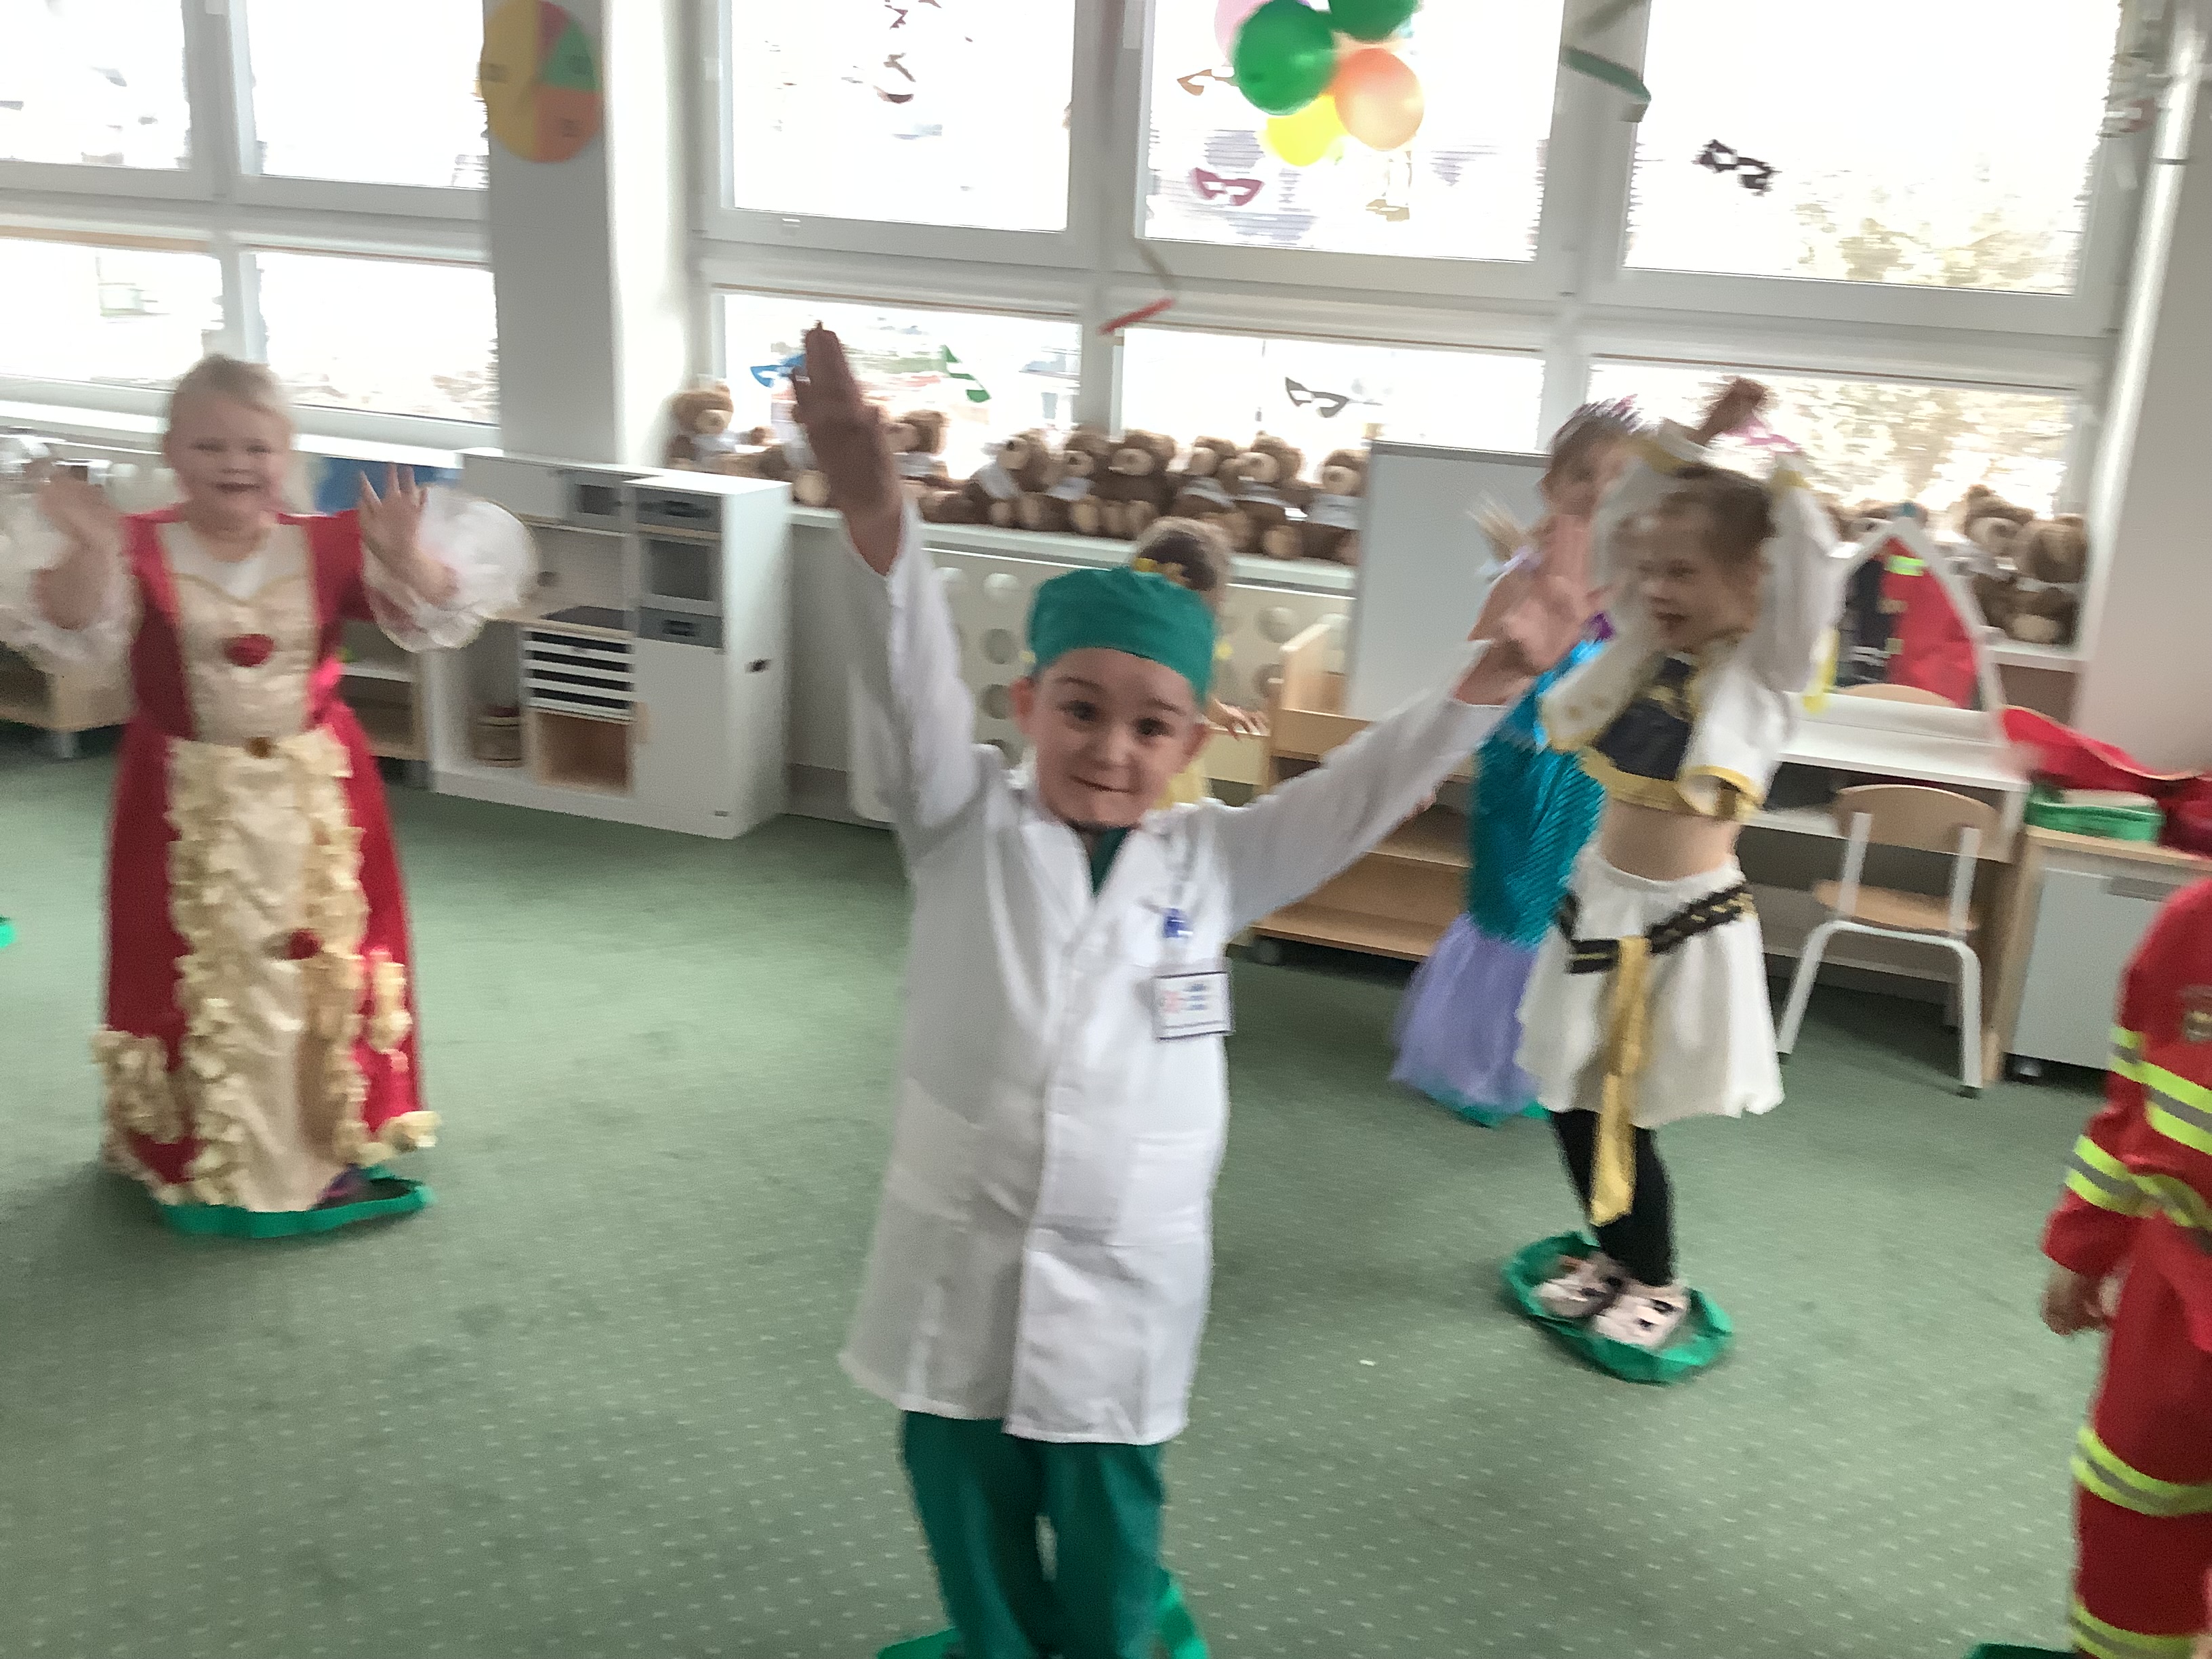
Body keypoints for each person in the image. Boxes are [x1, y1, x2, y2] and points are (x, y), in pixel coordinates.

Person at [794, 325, 1595, 1659]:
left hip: (1123, 1266)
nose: (1111, 748)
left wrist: (1492, 680)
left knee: (1110, 1525)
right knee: (959, 1490)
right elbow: (904, 678)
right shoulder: (960, 822)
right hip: (959, 1244)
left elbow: (1358, 791)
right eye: (1079, 709)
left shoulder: (1216, 862)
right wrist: (877, 517)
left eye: (1149, 724)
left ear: (1191, 738)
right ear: (1026, 704)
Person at [0, 354, 531, 1237]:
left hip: (315, 794)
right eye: (210, 445)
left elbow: (433, 610)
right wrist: (91, 545)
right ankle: (204, 1151)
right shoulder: (135, 543)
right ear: (173, 451)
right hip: (182, 795)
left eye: (256, 446)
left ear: (287, 454)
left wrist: (406, 556)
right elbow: (69, 625)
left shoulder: (324, 542)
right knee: (191, 962)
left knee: (324, 958)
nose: (235, 463)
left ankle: (323, 1142)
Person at [1514, 378, 1853, 1351]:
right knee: (1571, 1101)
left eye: (1686, 573)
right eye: (1652, 571)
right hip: (1598, 906)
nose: (1658, 589)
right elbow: (1620, 522)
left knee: (1630, 1109)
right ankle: (1611, 1254)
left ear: (1753, 582)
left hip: (1679, 927)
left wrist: (1783, 482)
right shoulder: (1638, 648)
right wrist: (1696, 438)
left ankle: (1656, 1276)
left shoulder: (1766, 669)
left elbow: (1811, 575)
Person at [1391, 401, 1641, 1124]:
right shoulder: (1526, 573)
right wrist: (1427, 763)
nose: (1599, 491)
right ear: (1552, 485)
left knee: (1559, 912)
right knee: (1511, 910)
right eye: (1583, 475)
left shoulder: (1625, 581)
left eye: (1617, 479)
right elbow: (1471, 673)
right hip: (1523, 765)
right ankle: (1478, 1062)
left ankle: (1531, 1058)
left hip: (1585, 774)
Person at [2036, 878, 2212, 1659]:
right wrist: (2085, 1246)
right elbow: (2133, 1104)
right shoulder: (2192, 927)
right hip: (2176, 1287)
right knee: (2133, 1493)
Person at [1124, 514, 1267, 809]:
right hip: (1144, 763)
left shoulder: (1185, 641)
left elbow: (1192, 686)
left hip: (1172, 756)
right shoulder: (1124, 641)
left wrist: (1219, 712)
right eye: (1212, 607)